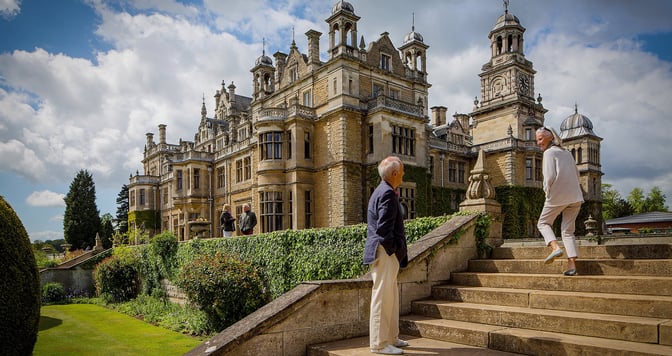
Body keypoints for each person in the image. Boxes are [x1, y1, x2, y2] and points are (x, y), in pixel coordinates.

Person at [363, 156, 409, 355]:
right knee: (382, 297)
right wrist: (395, 248)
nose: (404, 174)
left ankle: (391, 338)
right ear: (395, 174)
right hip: (384, 251)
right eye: (403, 170)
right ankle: (379, 344)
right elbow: (383, 230)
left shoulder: (381, 191)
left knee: (390, 295)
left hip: (384, 251)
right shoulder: (388, 194)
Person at [536, 127, 584, 276]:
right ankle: (572, 266)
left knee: (543, 223)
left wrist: (547, 192)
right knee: (568, 231)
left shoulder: (549, 153)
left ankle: (555, 247)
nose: (538, 143)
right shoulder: (567, 153)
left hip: (557, 195)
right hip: (575, 196)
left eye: (540, 139)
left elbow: (549, 177)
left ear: (550, 137)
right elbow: (577, 174)